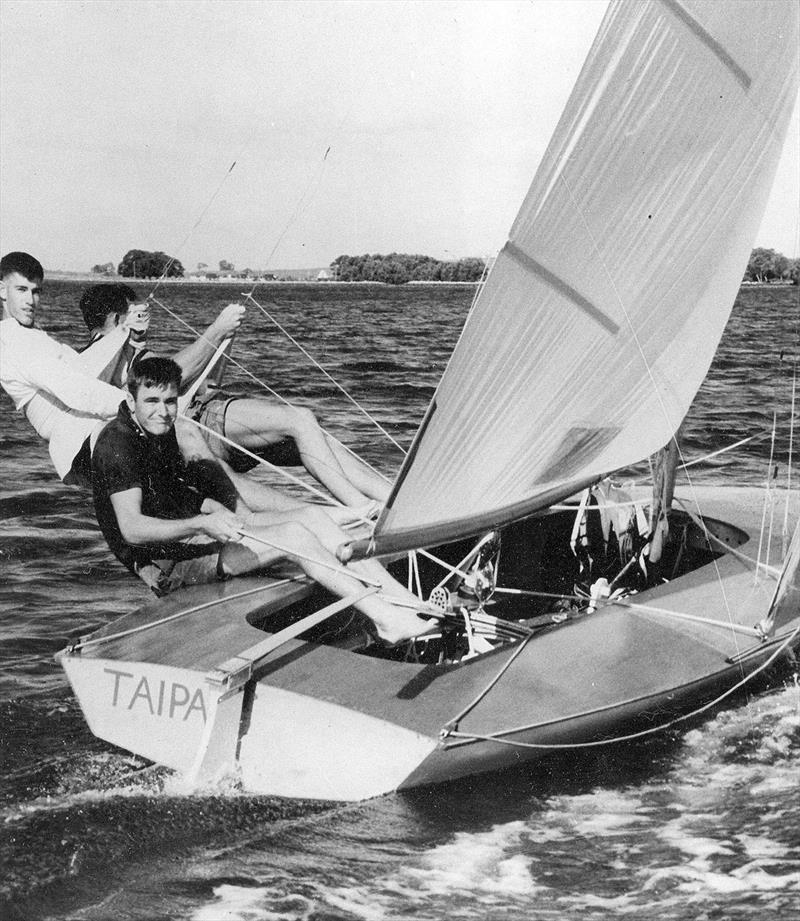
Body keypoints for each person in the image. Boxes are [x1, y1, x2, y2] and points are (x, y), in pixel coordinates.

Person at [91, 355, 429, 645]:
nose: (163, 412)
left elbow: (172, 495)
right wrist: (202, 522)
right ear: (129, 396)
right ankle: (386, 620)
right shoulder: (118, 447)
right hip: (170, 567)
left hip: (193, 537)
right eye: (152, 401)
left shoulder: (157, 430)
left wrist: (210, 510)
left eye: (170, 401)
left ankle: (407, 602)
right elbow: (132, 529)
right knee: (294, 537)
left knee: (312, 519)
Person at [79, 283, 390, 509]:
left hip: (206, 422)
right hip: (199, 426)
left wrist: (224, 341)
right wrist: (216, 328)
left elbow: (208, 386)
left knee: (314, 439)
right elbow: (172, 380)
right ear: (116, 318)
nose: (143, 320)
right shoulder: (104, 358)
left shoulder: (131, 352)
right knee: (300, 420)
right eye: (136, 314)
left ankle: (388, 499)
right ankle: (360, 509)